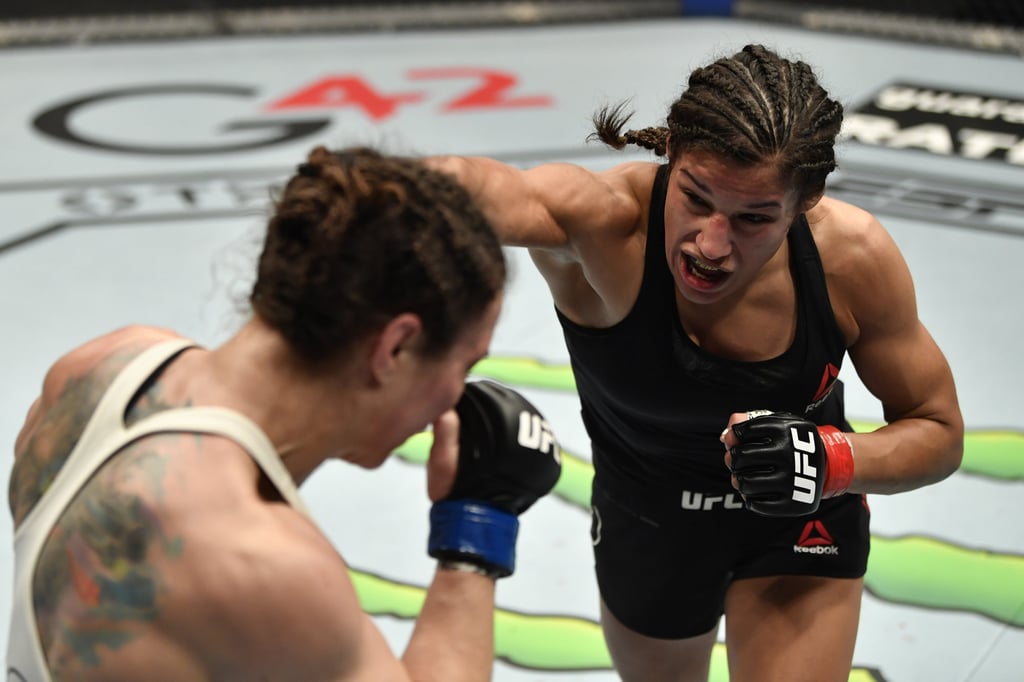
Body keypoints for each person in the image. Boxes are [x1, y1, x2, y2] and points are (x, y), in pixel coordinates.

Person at [427, 43, 964, 681]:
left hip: (798, 524)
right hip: (648, 524)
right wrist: (370, 188)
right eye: (697, 198)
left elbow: (938, 431)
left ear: (806, 202)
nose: (711, 245)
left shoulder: (851, 260)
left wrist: (834, 460)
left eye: (754, 219)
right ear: (672, 155)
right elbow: (479, 190)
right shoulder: (603, 226)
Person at [6, 145, 561, 681]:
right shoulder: (262, 562)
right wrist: (479, 522)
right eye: (464, 363)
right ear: (395, 347)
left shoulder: (98, 371)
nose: (455, 398)